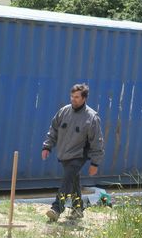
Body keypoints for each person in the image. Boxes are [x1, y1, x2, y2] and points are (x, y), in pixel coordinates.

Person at [42, 83, 104, 221]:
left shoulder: (91, 117)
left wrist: (95, 163)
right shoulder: (64, 111)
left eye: (76, 97)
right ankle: (77, 208)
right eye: (72, 96)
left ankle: (57, 208)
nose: (73, 99)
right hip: (64, 153)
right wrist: (47, 147)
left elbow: (97, 141)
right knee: (73, 180)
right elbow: (53, 129)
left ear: (84, 98)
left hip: (79, 154)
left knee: (67, 180)